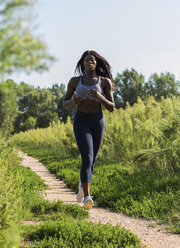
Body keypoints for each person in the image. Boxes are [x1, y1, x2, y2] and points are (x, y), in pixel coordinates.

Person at [63, 50, 115, 210]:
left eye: (92, 60)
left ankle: (82, 185)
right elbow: (64, 102)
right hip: (81, 120)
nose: (90, 62)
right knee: (87, 157)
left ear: (97, 63)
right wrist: (73, 101)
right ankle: (87, 197)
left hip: (97, 121)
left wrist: (101, 97)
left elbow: (112, 107)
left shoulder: (104, 82)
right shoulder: (74, 81)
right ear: (82, 63)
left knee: (92, 161)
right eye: (87, 60)